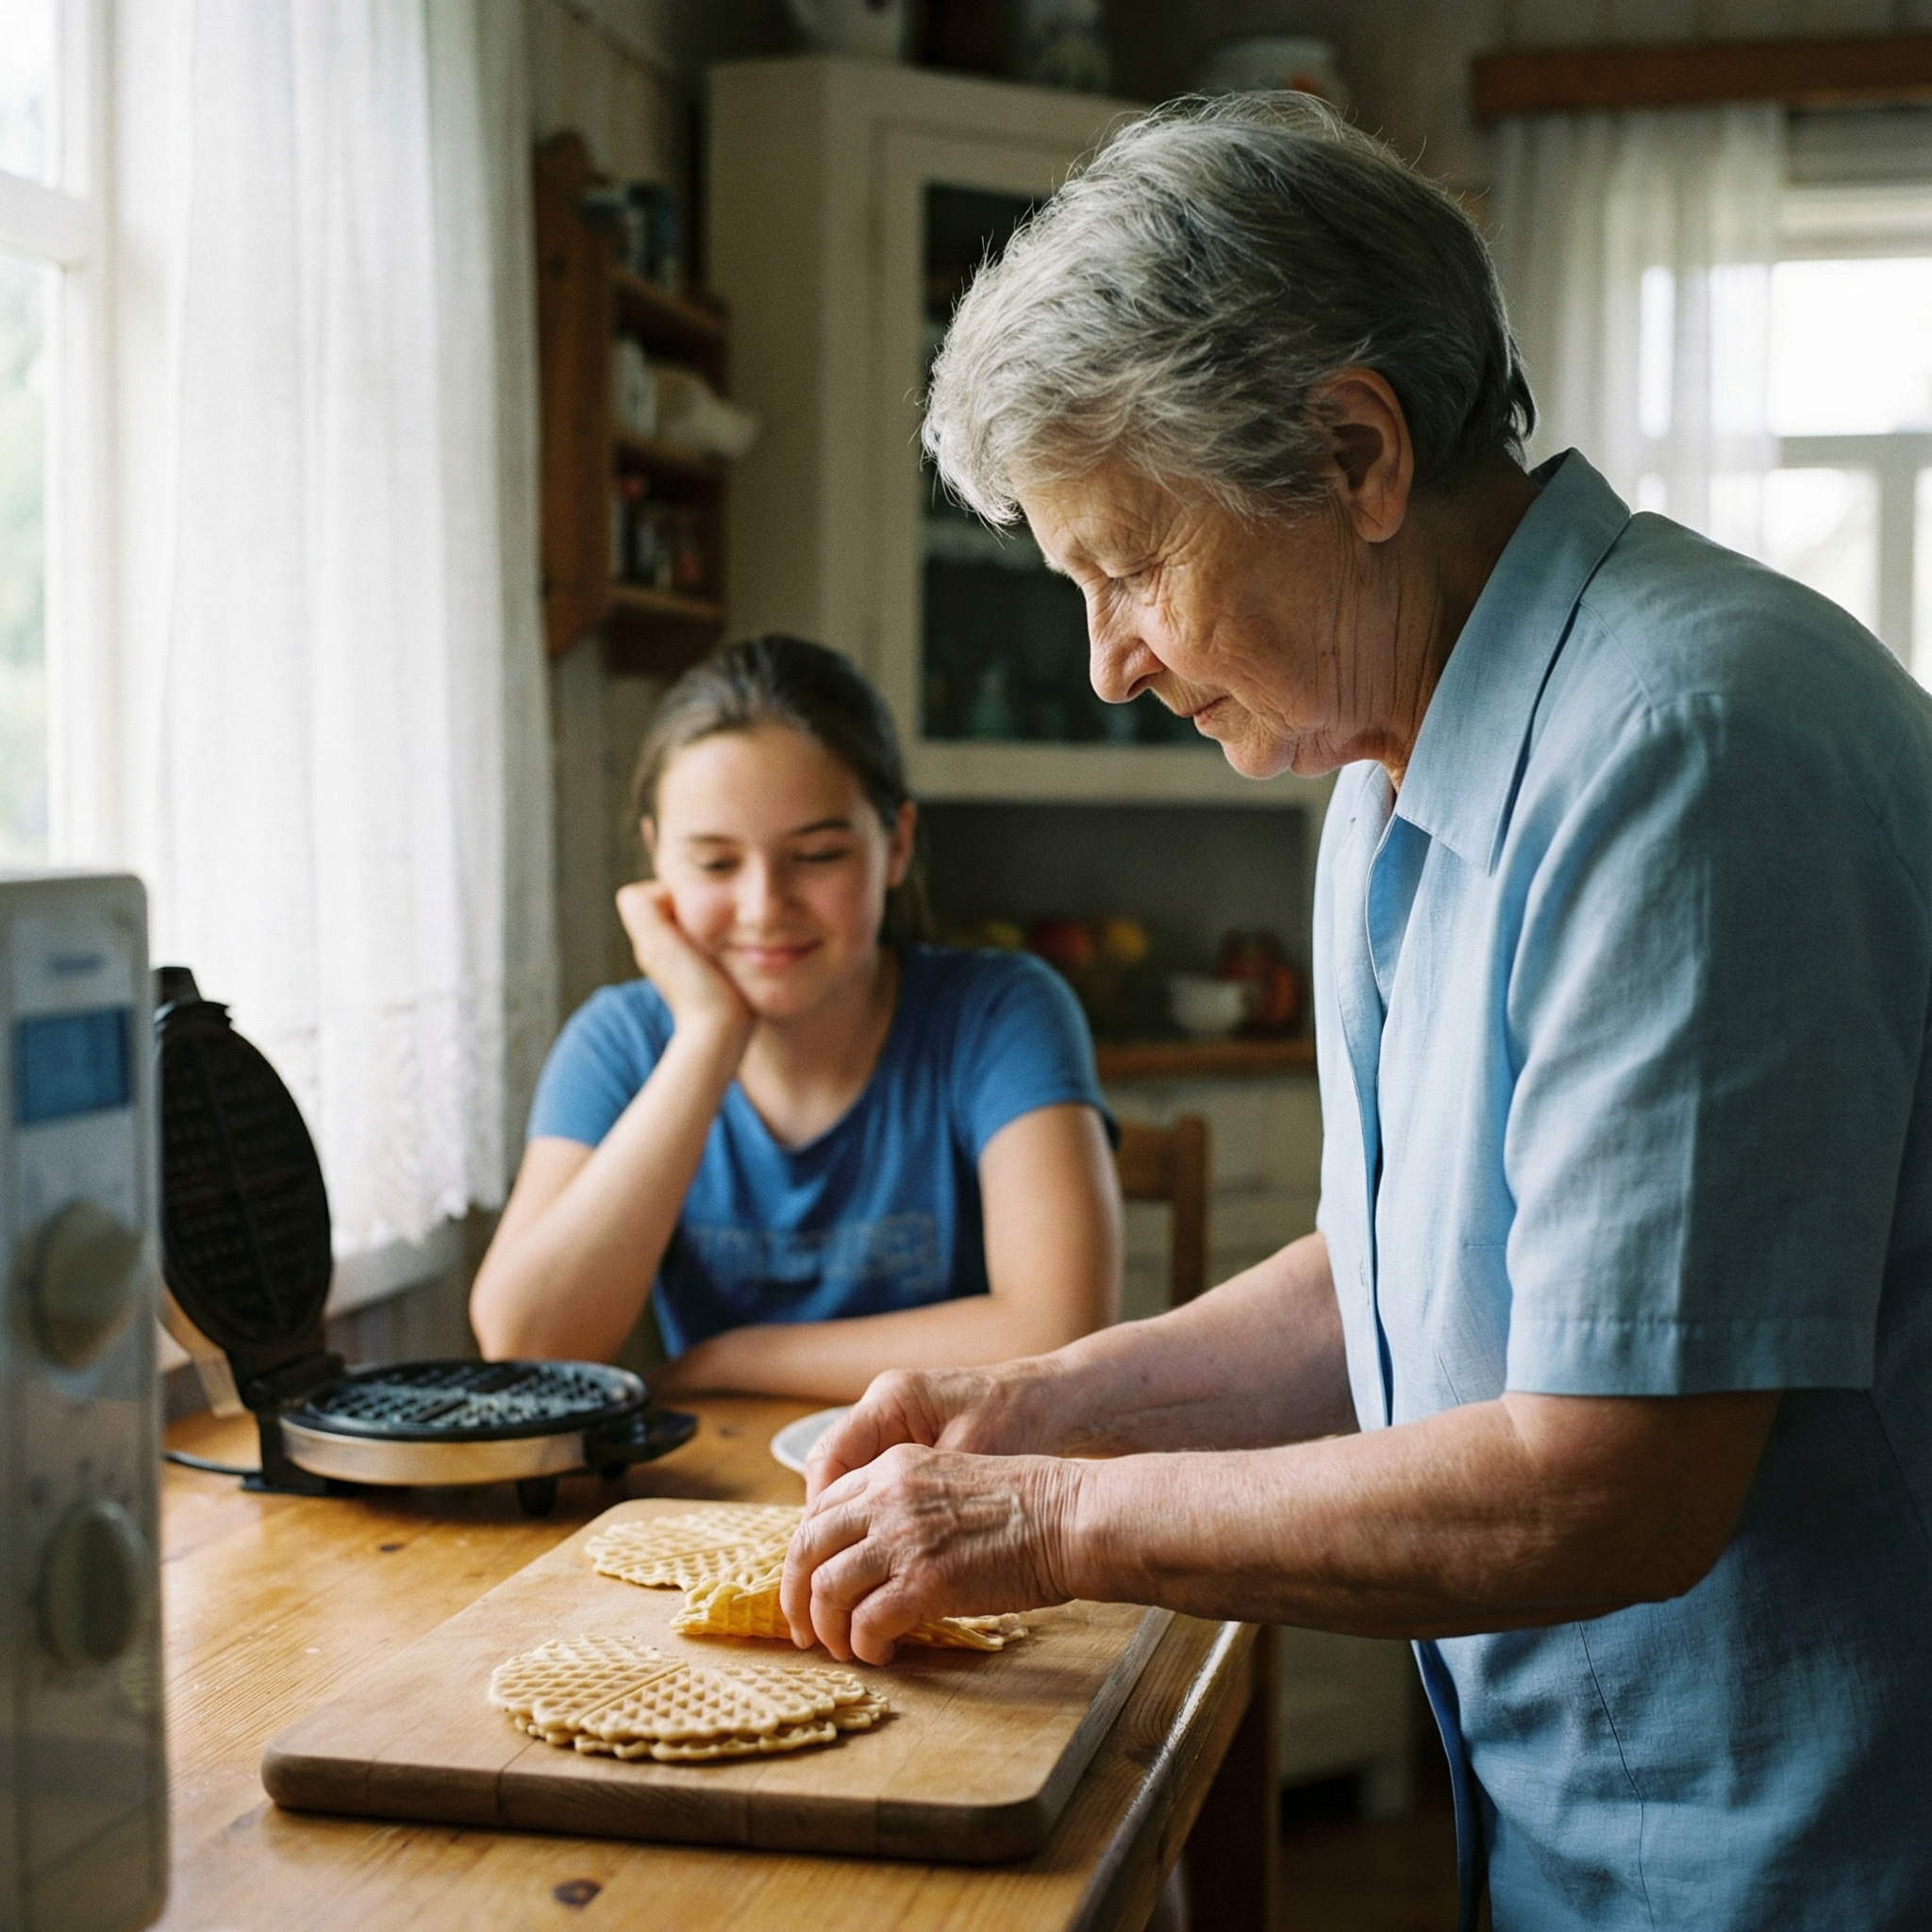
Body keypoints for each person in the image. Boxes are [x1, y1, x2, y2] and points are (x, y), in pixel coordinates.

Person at [775, 93, 1932, 1931]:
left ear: (1354, 451)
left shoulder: (1687, 749)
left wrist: (1046, 1527)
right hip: (1580, 1836)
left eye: (1130, 565)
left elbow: (1608, 1482)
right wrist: (1027, 1412)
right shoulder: (1385, 769)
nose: (1107, 658)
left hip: (1799, 1866)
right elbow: (1383, 1276)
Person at [470, 635, 1120, 1399]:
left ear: (897, 843)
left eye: (816, 856)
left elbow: (1062, 1329)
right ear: (656, 858)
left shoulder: (1002, 1012)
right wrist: (709, 1041)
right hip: (714, 1506)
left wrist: (728, 1360)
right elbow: (525, 1341)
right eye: (715, 863)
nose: (763, 907)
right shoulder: (619, 1042)